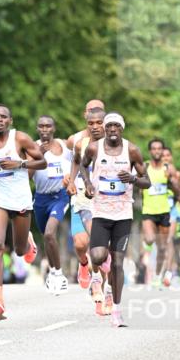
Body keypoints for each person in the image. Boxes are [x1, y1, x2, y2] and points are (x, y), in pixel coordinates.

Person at [80, 113, 151, 327]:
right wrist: (88, 185)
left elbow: (147, 182)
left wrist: (132, 179)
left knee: (119, 262)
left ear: (121, 129)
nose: (112, 129)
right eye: (108, 126)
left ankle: (117, 310)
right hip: (101, 212)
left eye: (116, 126)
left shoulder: (132, 150)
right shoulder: (94, 148)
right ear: (105, 128)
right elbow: (83, 165)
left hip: (123, 215)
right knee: (99, 257)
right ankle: (100, 270)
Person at [0, 104, 45, 321]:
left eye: (3, 117)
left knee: (18, 250)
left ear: (10, 121)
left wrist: (20, 164)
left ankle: (28, 242)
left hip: (20, 198)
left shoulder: (20, 139)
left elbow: (42, 162)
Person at [66, 100, 112, 313]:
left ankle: (107, 289)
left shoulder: (115, 143)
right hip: (84, 199)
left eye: (99, 121)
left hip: (109, 201)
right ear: (85, 116)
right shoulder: (77, 141)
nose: (95, 125)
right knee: (86, 242)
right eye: (91, 120)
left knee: (104, 249)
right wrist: (72, 181)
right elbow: (76, 161)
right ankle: (94, 279)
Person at [32, 115, 71, 295]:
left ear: (54, 128)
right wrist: (38, 154)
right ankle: (53, 272)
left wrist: (71, 179)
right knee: (46, 238)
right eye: (41, 126)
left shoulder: (64, 146)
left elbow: (77, 164)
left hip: (60, 197)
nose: (45, 130)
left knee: (49, 233)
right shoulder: (31, 147)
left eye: (48, 126)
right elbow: (26, 175)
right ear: (37, 129)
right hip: (40, 198)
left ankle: (58, 273)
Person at [141, 138, 178, 288]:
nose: (157, 151)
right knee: (150, 239)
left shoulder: (168, 168)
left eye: (159, 148)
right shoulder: (145, 166)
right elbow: (138, 184)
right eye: (154, 148)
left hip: (164, 211)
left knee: (162, 248)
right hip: (148, 211)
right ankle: (147, 243)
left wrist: (171, 181)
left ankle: (157, 275)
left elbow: (177, 191)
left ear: (162, 151)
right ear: (150, 151)